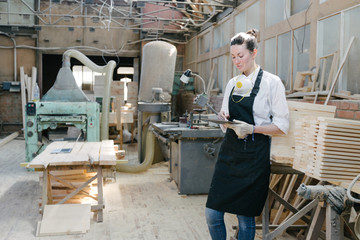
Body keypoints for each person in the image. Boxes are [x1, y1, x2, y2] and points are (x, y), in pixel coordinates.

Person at [205, 29, 289, 240]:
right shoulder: (233, 83)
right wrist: (225, 119)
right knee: (212, 214)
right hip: (230, 154)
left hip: (254, 156)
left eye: (240, 56)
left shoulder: (272, 83)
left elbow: (282, 126)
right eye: (233, 57)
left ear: (254, 53)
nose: (236, 61)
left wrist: (252, 128)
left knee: (245, 218)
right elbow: (225, 124)